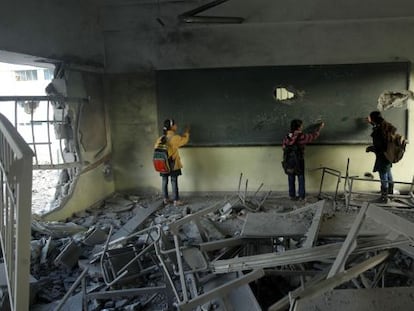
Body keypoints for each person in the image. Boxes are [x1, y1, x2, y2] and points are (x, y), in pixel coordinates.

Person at [282, 119, 324, 201]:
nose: (302, 126)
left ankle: (292, 196)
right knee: (300, 177)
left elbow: (283, 146)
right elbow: (312, 137)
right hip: (298, 159)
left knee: (291, 177)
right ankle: (301, 196)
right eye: (301, 125)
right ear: (298, 127)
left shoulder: (288, 135)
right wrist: (319, 129)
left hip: (289, 160)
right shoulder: (301, 136)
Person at [154, 119, 190, 206]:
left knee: (164, 180)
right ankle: (176, 200)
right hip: (173, 163)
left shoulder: (161, 138)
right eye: (175, 125)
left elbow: (155, 147)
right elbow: (184, 141)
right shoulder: (175, 138)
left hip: (162, 163)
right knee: (174, 181)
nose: (176, 126)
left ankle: (165, 199)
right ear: (172, 127)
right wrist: (187, 133)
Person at [366, 110, 396, 203]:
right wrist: (371, 123)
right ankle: (390, 193)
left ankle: (384, 197)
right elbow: (380, 129)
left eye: (371, 118)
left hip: (383, 156)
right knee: (388, 172)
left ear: (374, 119)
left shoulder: (379, 131)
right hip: (389, 154)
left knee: (383, 174)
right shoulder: (386, 125)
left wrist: (371, 148)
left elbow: (379, 146)